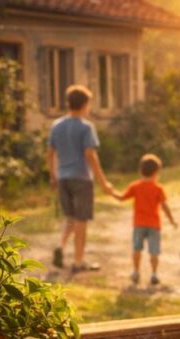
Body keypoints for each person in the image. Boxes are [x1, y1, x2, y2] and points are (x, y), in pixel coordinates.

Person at [47, 85, 114, 274]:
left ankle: (60, 246)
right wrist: (103, 182)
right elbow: (90, 155)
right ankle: (78, 262)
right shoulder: (86, 127)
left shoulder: (57, 125)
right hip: (81, 179)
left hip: (62, 178)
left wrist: (53, 176)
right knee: (81, 221)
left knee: (71, 217)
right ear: (85, 104)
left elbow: (50, 153)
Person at [109, 154, 177, 286]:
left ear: (140, 170)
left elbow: (121, 198)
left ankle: (136, 272)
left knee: (137, 249)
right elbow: (165, 206)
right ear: (157, 172)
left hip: (139, 224)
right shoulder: (158, 189)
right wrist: (172, 220)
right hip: (154, 224)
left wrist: (111, 191)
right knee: (154, 251)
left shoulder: (135, 186)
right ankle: (154, 274)